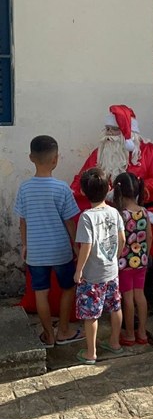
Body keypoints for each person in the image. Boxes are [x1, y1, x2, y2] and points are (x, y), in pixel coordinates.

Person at [71, 104, 153, 325]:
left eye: (113, 130)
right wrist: (77, 189)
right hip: (108, 213)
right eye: (106, 129)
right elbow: (82, 178)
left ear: (128, 133)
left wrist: (133, 191)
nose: (108, 135)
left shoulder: (150, 151)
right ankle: (113, 300)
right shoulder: (99, 154)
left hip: (147, 209)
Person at [14, 135, 83, 348]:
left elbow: (22, 222)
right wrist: (75, 245)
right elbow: (70, 222)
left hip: (36, 251)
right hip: (60, 250)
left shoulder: (24, 189)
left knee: (40, 293)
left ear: (31, 158)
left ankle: (48, 336)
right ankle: (63, 330)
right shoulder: (62, 189)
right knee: (68, 288)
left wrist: (25, 245)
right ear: (56, 159)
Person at [74, 167, 126, 364]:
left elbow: (86, 246)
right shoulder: (114, 212)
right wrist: (115, 256)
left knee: (91, 314)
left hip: (92, 275)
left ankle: (91, 353)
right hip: (112, 271)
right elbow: (122, 239)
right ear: (109, 187)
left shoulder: (87, 217)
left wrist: (79, 270)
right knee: (115, 307)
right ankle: (115, 343)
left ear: (84, 192)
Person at [113, 171, 152, 346]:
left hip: (124, 263)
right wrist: (145, 254)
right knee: (140, 296)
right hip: (141, 260)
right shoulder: (144, 211)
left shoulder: (120, 214)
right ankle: (142, 333)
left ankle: (129, 334)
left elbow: (118, 240)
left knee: (127, 298)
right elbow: (149, 237)